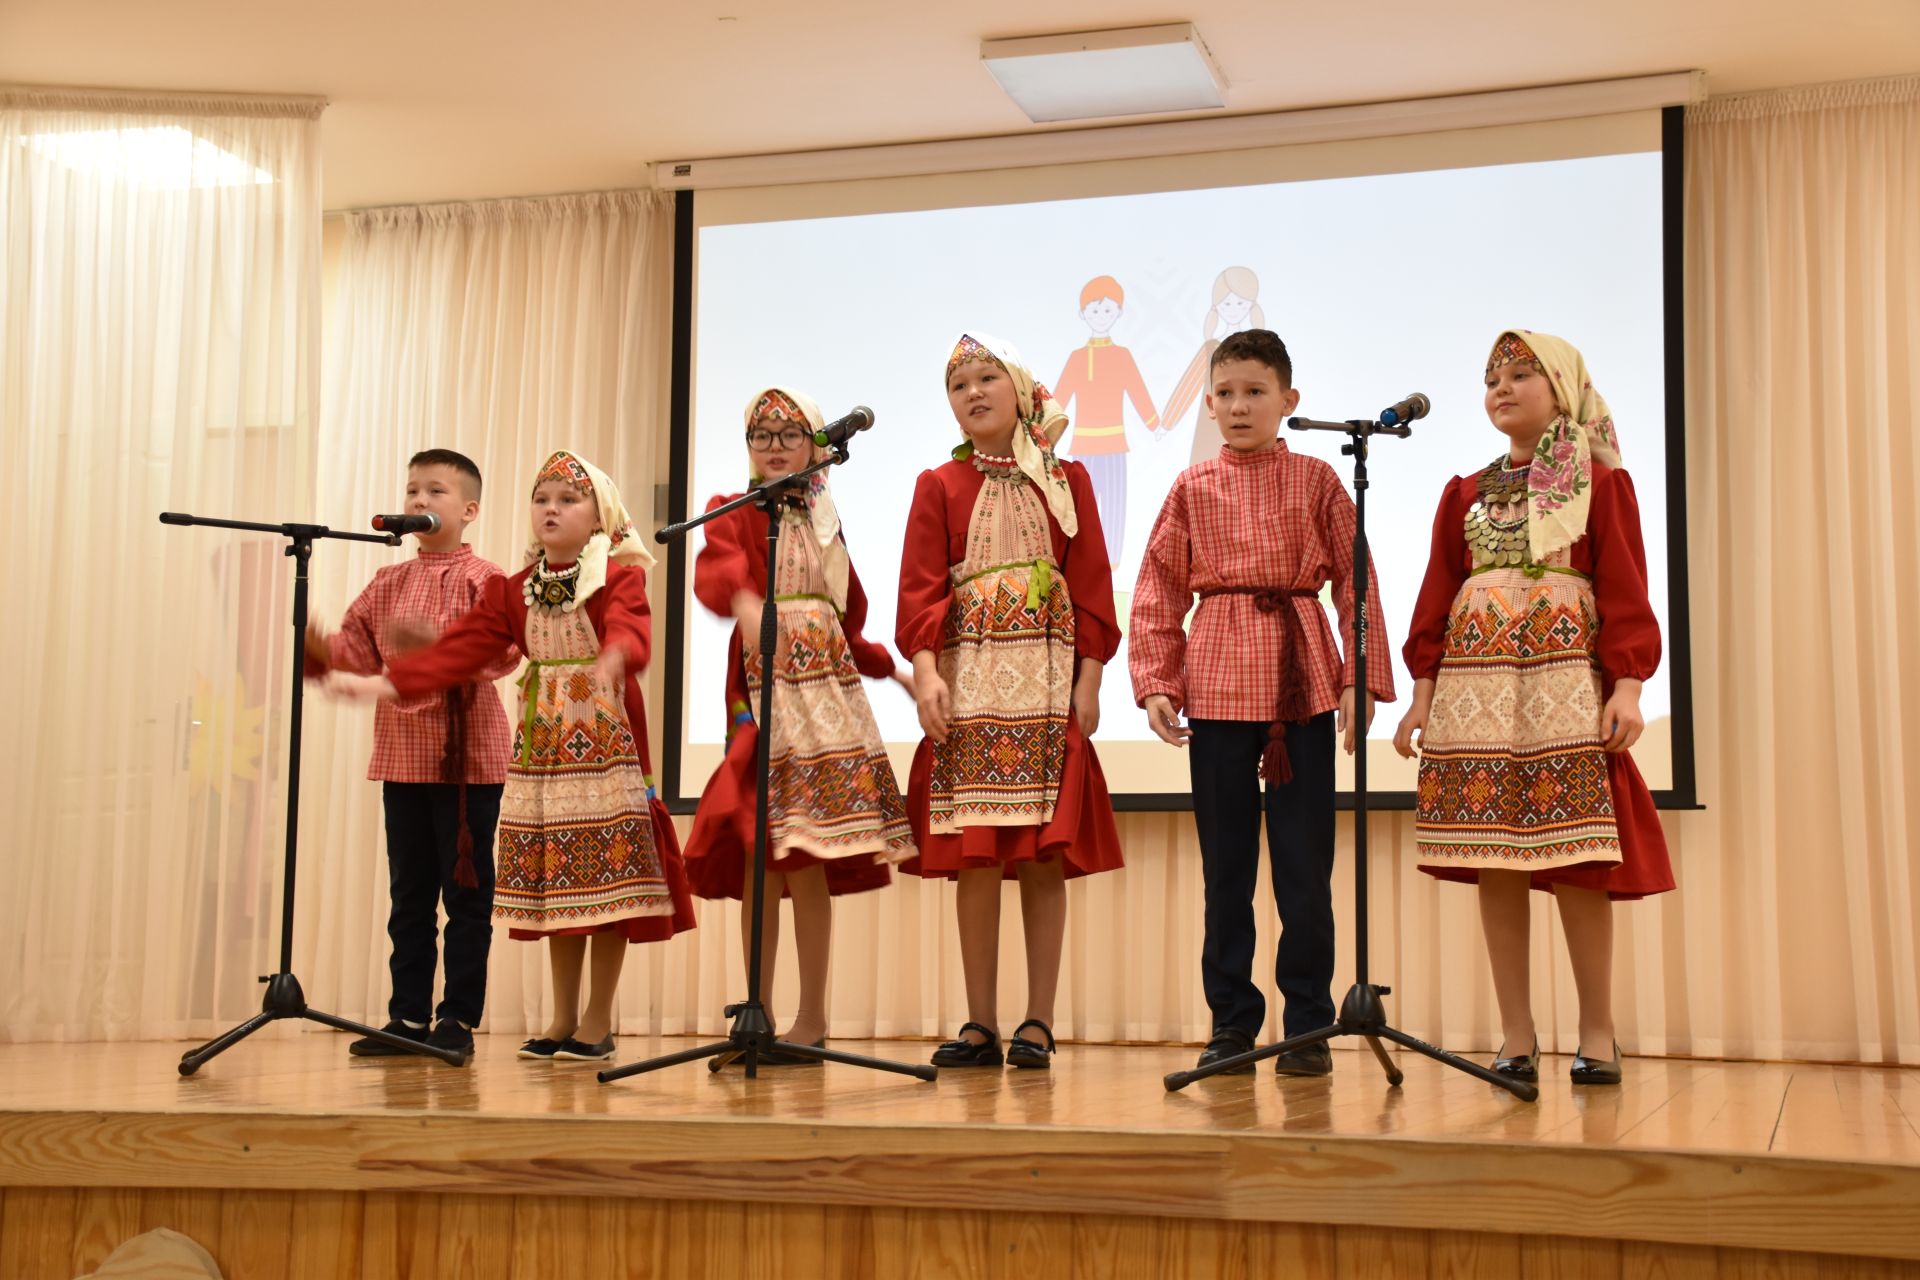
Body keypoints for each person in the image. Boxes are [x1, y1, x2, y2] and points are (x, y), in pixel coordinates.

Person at [331, 449, 695, 1064]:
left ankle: (597, 1022)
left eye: (567, 500)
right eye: (542, 499)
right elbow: (462, 652)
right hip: (547, 747)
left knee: (606, 885)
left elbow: (632, 625)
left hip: (605, 745)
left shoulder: (617, 576)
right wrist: (389, 683)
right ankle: (558, 1019)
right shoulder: (514, 590)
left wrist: (617, 654)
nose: (551, 509)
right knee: (560, 882)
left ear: (599, 516)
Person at [1394, 330, 1674, 1086]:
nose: (1502, 387)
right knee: (1495, 860)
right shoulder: (1462, 492)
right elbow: (1435, 596)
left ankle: (1598, 1031)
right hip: (1475, 691)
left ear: (1563, 387)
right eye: (1492, 378)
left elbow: (1625, 588)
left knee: (1580, 859)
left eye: (1522, 374)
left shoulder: (1602, 484)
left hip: (1561, 691)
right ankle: (1516, 1036)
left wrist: (1627, 685)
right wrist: (1421, 695)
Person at [1131, 328, 1394, 1077]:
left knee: (1304, 867)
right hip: (1216, 679)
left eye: (1254, 392)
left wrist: (1358, 673)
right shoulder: (1190, 487)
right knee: (1227, 871)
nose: (1239, 406)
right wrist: (1156, 678)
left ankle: (1308, 1023)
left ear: (1289, 400)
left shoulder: (1317, 479)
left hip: (1300, 679)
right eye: (1224, 394)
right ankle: (1233, 1026)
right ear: (1209, 406)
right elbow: (1156, 588)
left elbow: (1357, 578)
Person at [897, 332, 1124, 1070]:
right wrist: (927, 675)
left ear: (1020, 390)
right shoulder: (939, 483)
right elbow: (920, 588)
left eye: (987, 376)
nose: (973, 392)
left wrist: (1089, 683)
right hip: (971, 686)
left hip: (1049, 683)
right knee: (976, 857)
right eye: (958, 384)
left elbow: (1090, 583)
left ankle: (1039, 1021)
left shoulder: (1067, 479)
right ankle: (979, 1022)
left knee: (1040, 857)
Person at [683, 386, 916, 1062]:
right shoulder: (733, 508)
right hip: (766, 693)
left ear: (817, 447)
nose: (775, 446)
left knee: (809, 859)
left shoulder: (824, 521)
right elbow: (718, 565)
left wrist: (886, 666)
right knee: (761, 854)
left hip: (827, 696)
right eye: (762, 436)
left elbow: (845, 613)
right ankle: (756, 1006)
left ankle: (812, 1019)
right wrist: (748, 598)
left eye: (789, 434)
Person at [304, 448, 514, 1061]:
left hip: (467, 761)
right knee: (410, 895)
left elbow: (504, 654)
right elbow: (358, 650)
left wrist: (441, 649)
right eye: (413, 492)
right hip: (402, 758)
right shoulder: (387, 580)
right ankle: (407, 1018)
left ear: (469, 510)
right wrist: (320, 647)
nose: (420, 502)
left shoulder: (488, 580)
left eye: (436, 492)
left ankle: (458, 1021)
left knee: (467, 898)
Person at [1051, 275, 1159, 567]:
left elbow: (1138, 391)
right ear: (1083, 313)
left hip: (1114, 444)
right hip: (1083, 445)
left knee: (1113, 509)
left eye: (1108, 311)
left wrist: (1154, 424)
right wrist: (1040, 429)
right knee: (1080, 509)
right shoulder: (1076, 357)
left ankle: (1112, 567)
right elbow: (1058, 399)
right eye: (1094, 310)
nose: (1101, 317)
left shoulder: (1122, 355)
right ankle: (1079, 564)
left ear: (1119, 313)